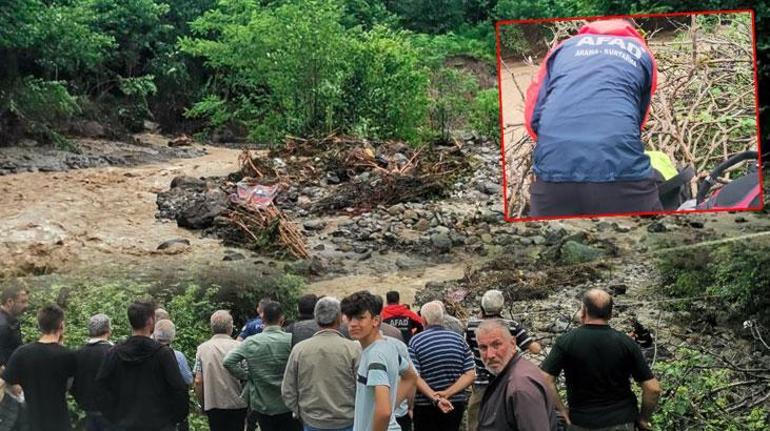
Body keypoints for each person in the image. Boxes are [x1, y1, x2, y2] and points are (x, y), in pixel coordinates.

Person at [524, 19, 661, 216]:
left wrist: (568, 149)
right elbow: (639, 119)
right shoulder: (640, 51)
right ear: (633, 31)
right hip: (623, 176)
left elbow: (532, 117)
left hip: (553, 179)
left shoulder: (564, 48)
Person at [541, 289, 662, 431]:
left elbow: (545, 379)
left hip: (581, 422)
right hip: (623, 421)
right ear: (610, 314)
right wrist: (643, 419)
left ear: (583, 311)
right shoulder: (625, 342)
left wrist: (561, 410)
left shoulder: (565, 341)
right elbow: (653, 388)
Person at [96, 299, 189, 430]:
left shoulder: (114, 353)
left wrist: (114, 417)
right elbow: (179, 389)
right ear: (151, 321)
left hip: (124, 425)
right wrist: (172, 420)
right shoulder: (163, 354)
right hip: (159, 425)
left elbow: (101, 388)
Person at [341, 291, 418, 431]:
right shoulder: (388, 346)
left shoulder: (375, 356)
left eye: (360, 318)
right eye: (350, 318)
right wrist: (390, 404)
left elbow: (384, 412)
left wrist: (387, 408)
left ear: (376, 320)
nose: (353, 324)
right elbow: (411, 377)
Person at [465, 290, 542, 431]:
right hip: (507, 381)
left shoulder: (471, 326)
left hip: (481, 382)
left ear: (482, 306)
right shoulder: (511, 325)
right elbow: (534, 349)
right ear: (501, 307)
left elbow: (466, 347)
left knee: (475, 422)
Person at [282, 296, 361, 431]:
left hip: (312, 422)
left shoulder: (299, 350)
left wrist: (301, 412)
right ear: (339, 318)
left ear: (316, 318)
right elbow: (363, 388)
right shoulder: (354, 349)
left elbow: (288, 390)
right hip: (348, 421)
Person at [224, 301, 300, 431]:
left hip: (263, 403)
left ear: (262, 319)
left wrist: (247, 375)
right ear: (282, 319)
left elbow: (228, 361)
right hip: (287, 403)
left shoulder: (251, 342)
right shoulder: (291, 339)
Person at [2, 304, 76, 431]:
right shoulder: (67, 354)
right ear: (61, 325)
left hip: (31, 421)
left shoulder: (22, 353)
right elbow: (70, 385)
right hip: (59, 420)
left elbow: (6, 382)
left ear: (40, 326)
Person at [475, 319, 559, 431]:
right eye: (483, 348)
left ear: (513, 343)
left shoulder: (520, 387)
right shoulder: (511, 372)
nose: (490, 355)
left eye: (496, 345)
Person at [408, 301, 475, 431]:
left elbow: (414, 376)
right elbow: (470, 374)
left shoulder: (416, 341)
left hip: (425, 404)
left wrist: (435, 397)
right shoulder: (459, 340)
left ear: (424, 319)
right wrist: (447, 393)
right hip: (455, 402)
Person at [194, 310, 248, 431]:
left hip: (213, 404)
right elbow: (247, 376)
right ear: (230, 327)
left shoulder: (202, 349)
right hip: (238, 404)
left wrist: (202, 404)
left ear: (212, 328)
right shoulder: (240, 347)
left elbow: (198, 380)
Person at [71, 313, 115, 431]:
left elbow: (73, 385)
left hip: (88, 410)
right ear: (108, 330)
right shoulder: (114, 353)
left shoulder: (78, 354)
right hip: (111, 414)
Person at [154, 319, 194, 385]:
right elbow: (188, 380)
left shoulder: (147, 353)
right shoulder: (178, 356)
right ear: (173, 336)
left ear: (155, 335)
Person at [0, 286, 29, 365]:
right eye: (23, 302)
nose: (26, 305)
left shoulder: (12, 321)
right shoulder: (3, 326)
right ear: (9, 302)